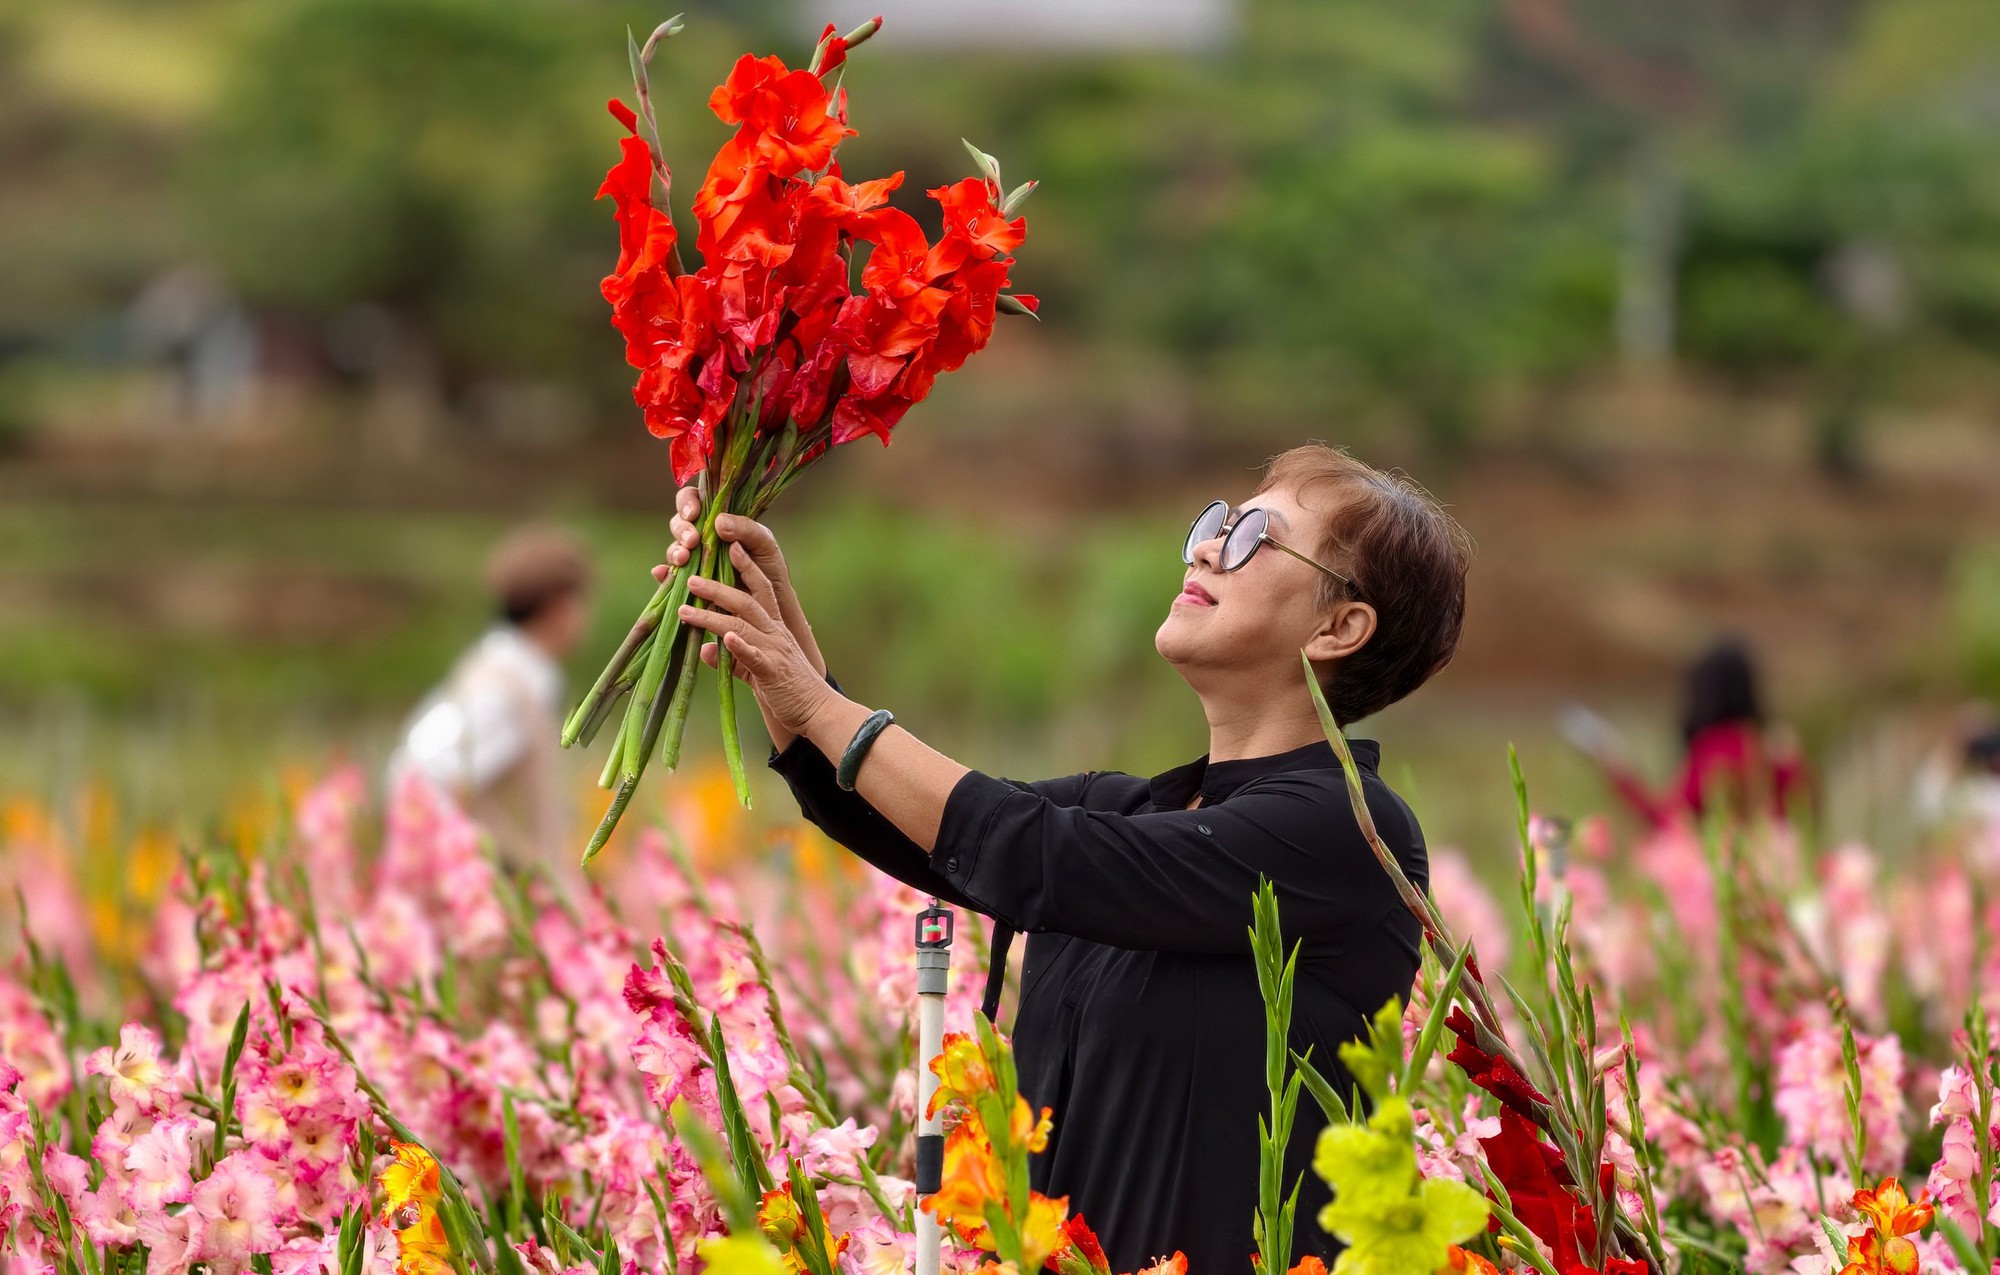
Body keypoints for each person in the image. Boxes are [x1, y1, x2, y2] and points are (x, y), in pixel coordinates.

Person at [653, 445, 1472, 1272]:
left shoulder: (1348, 832)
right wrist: (766, 622)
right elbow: (897, 815)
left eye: (1255, 532)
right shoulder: (1132, 809)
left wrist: (817, 700)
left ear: (1339, 628)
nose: (1204, 547)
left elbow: (1036, 852)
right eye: (1216, 520)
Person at [388, 524, 594, 871]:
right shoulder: (510, 684)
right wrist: (512, 859)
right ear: (557, 606)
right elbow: (428, 773)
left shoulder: (506, 664)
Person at [1569, 637, 1810, 831]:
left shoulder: (1715, 748)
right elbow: (1805, 815)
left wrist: (1613, 765)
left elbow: (1667, 820)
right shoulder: (1778, 745)